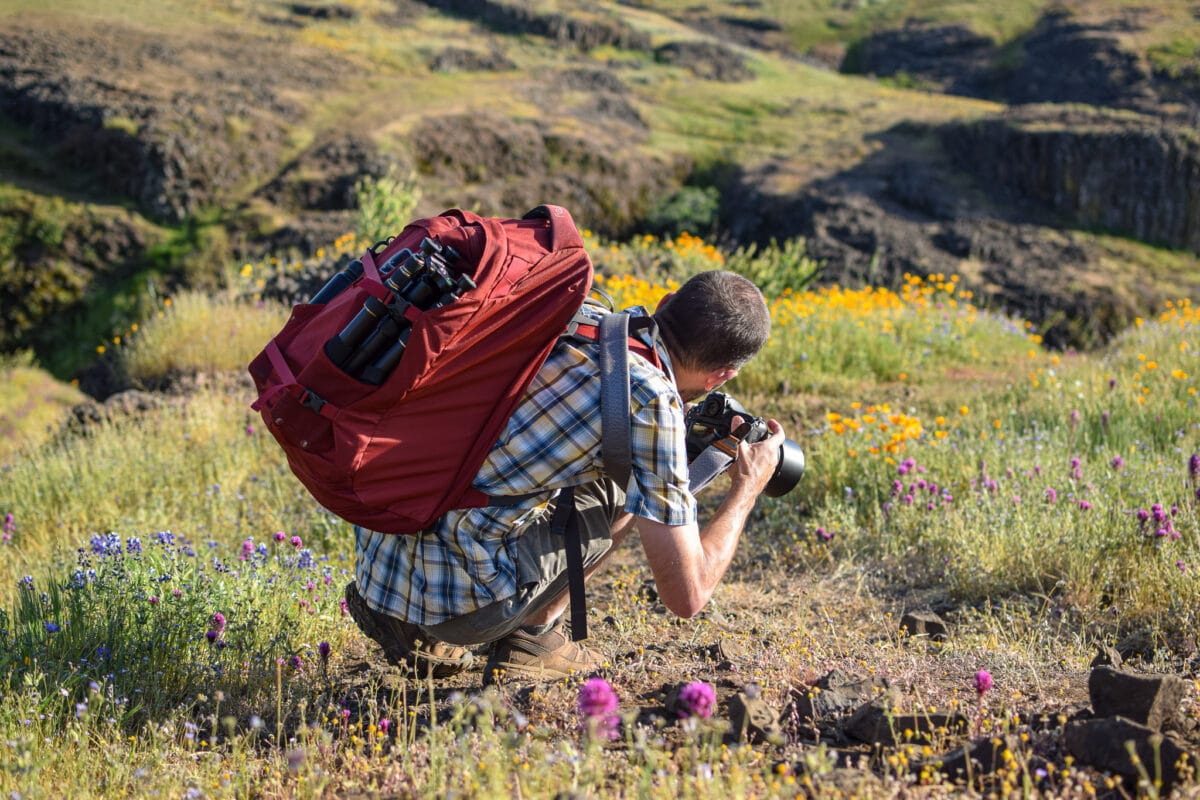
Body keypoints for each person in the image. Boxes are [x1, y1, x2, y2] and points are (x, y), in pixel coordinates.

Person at [344, 269, 786, 683]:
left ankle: (397, 619)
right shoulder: (650, 400)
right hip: (458, 609)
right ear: (721, 376)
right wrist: (746, 487)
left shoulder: (578, 314)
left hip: (381, 551)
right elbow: (687, 597)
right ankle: (532, 642)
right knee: (624, 488)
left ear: (666, 301)